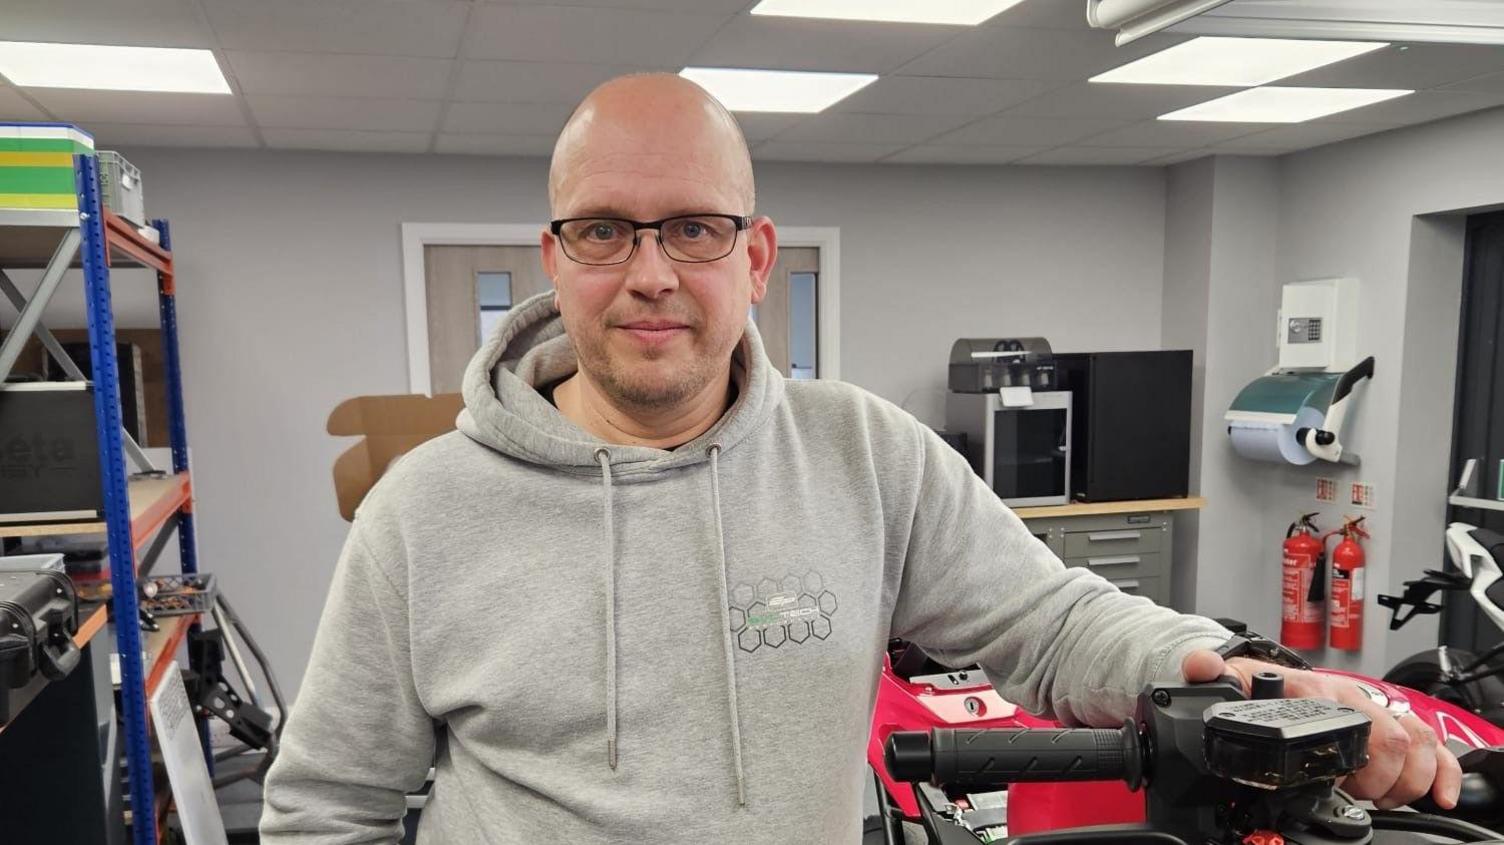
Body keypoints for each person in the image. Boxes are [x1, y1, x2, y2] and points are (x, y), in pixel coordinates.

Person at [260, 74, 1459, 843]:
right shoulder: (427, 508)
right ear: (556, 253)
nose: (650, 272)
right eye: (603, 230)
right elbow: (327, 807)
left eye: (692, 226)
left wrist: (1250, 673)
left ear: (756, 253)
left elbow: (1053, 624)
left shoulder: (861, 449)